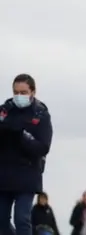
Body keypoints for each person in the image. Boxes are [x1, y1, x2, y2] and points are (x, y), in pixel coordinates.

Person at [0, 74, 53, 235]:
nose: (19, 96)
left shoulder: (40, 114)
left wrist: (22, 137)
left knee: (22, 219)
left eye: (23, 92)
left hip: (27, 174)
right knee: (1, 220)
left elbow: (43, 147)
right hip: (4, 174)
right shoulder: (4, 112)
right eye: (16, 92)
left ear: (33, 92)